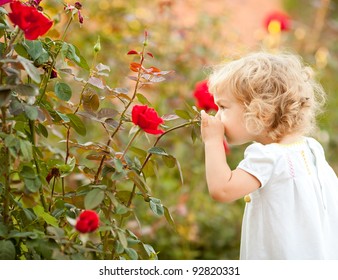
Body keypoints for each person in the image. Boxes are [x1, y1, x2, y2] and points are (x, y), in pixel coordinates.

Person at [200, 52, 338, 260]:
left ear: (259, 110)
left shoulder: (269, 158)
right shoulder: (312, 149)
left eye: (223, 107)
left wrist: (212, 141)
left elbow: (222, 189)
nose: (217, 116)